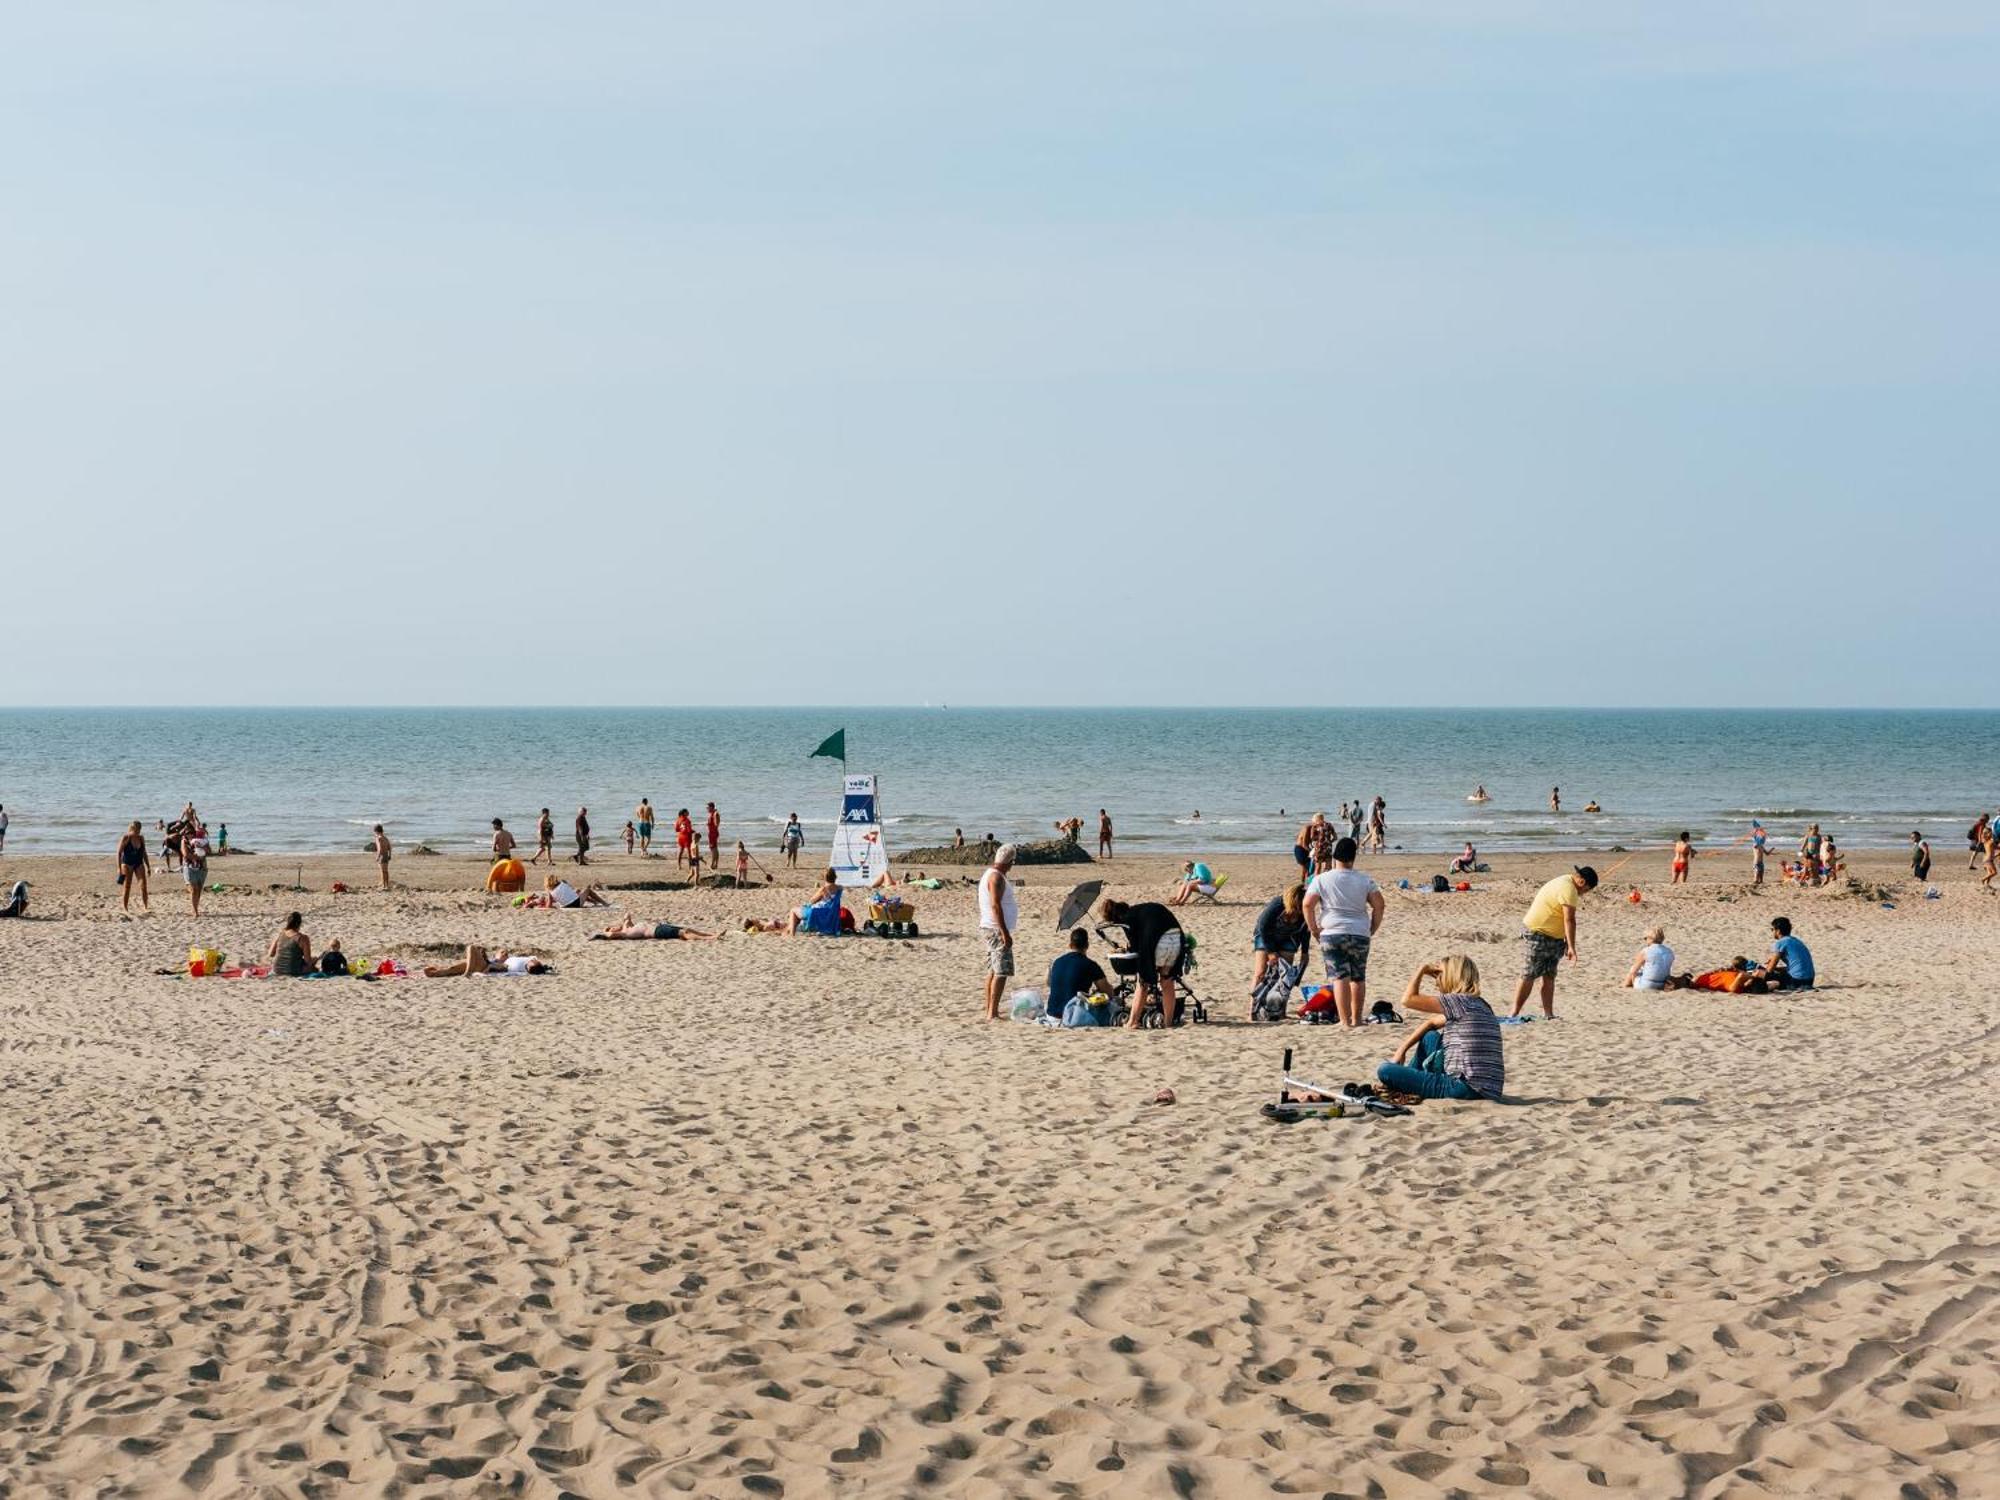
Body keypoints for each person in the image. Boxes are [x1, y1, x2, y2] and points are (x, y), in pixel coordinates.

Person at [1375, 957, 1504, 1102]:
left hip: (1464, 1087)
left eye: (1438, 975)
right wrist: (1402, 1049)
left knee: (1384, 1070)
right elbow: (1430, 1024)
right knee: (1430, 1037)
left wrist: (1422, 970)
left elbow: (1408, 1000)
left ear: (1451, 976)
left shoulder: (1458, 1001)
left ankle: (1402, 1086)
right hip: (1489, 1089)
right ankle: (1407, 1082)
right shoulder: (1480, 1005)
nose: (1436, 982)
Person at [1302, 836, 1385, 1027]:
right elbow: (1379, 905)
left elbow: (1307, 904)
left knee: (1339, 977)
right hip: (1359, 931)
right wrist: (1372, 927)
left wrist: (1313, 928)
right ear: (1353, 858)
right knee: (1358, 977)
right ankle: (1356, 1019)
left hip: (1331, 932)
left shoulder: (1321, 879)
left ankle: (1344, 1021)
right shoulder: (1365, 880)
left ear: (1334, 857)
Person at [1512, 865, 1597, 1018]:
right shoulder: (1569, 889)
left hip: (1554, 937)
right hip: (1537, 932)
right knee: (1529, 973)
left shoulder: (1566, 879)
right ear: (1582, 882)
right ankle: (1514, 1012)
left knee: (1549, 975)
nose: (1584, 894)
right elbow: (1569, 919)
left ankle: (1548, 1014)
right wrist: (1571, 947)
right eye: (1587, 890)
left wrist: (1564, 939)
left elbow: (1563, 918)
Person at [1099, 896, 1186, 1029]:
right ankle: (1168, 1023)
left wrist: (1125, 949)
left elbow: (1135, 948)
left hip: (1160, 943)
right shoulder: (1142, 910)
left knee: (1143, 982)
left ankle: (1132, 1022)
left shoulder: (1127, 920)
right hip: (1176, 938)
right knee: (1167, 981)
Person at [1250, 883, 1309, 1019]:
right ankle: (1253, 1011)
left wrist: (1305, 952)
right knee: (1260, 973)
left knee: (1285, 977)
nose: (1299, 910)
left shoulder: (1305, 908)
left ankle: (1280, 1012)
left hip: (1290, 936)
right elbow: (1263, 927)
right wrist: (1271, 952)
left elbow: (1306, 930)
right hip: (1266, 935)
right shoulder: (1277, 905)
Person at [978, 844, 1019, 1020]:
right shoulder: (996, 877)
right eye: (1012, 862)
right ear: (1009, 862)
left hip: (991, 928)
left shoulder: (991, 874)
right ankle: (992, 1012)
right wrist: (1004, 932)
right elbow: (996, 906)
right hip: (995, 929)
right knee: (1001, 971)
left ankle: (990, 1008)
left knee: (993, 970)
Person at [1046, 926, 1113, 1025]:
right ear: (1087, 945)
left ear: (1070, 945)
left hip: (1051, 1016)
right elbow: (1108, 992)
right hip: (1072, 1017)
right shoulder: (1090, 965)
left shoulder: (1057, 961)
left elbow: (1048, 983)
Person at [1752, 917, 1815, 990]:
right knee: (1778, 971)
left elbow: (1769, 970)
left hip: (1796, 982)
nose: (1772, 932)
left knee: (1758, 973)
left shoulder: (1781, 943)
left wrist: (1764, 968)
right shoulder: (1796, 941)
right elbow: (1794, 966)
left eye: (1772, 929)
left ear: (1778, 931)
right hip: (1809, 981)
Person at [424, 944, 553, 976]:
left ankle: (467, 974)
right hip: (485, 963)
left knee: (471, 948)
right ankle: (435, 973)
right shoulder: (526, 960)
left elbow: (494, 968)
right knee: (452, 969)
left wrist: (491, 965)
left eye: (504, 953)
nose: (503, 952)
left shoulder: (512, 966)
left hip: (484, 965)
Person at [1623, 926, 1677, 990]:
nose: (1645, 940)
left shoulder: (1646, 951)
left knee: (1634, 969)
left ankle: (1624, 985)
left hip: (1646, 985)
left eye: (1645, 938)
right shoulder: (1669, 951)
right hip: (1663, 984)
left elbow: (1634, 971)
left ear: (1650, 938)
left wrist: (1633, 981)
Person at [592, 917, 721, 942]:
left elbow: (627, 918)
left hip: (659, 927)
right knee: (683, 933)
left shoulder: (627, 927)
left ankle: (711, 934)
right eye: (611, 928)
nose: (613, 927)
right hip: (656, 932)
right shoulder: (624, 933)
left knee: (686, 928)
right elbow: (608, 936)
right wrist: (606, 930)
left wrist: (623, 922)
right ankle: (710, 938)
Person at [116, 821, 151, 911]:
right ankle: (125, 907)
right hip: (127, 863)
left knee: (143, 885)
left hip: (138, 863)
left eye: (139, 829)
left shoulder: (141, 838)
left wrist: (148, 866)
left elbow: (144, 853)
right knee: (127, 886)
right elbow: (119, 853)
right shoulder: (126, 837)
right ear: (132, 828)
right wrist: (119, 868)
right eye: (136, 829)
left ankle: (145, 906)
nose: (138, 831)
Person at [524, 873, 610, 908]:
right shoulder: (563, 882)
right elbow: (571, 890)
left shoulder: (549, 892)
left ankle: (595, 903)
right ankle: (604, 903)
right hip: (575, 904)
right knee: (587, 891)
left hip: (565, 906)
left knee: (579, 894)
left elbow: (549, 906)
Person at [268, 912, 313, 976]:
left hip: (277, 970)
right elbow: (307, 961)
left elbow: (271, 954)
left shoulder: (280, 934)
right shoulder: (303, 938)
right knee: (312, 966)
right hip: (293, 971)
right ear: (299, 923)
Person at [182, 822, 211, 917]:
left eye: (191, 832)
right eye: (186, 832)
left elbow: (209, 851)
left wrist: (201, 847)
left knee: (198, 890)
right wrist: (197, 857)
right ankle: (195, 911)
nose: (189, 834)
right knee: (194, 889)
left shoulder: (201, 840)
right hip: (189, 867)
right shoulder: (184, 841)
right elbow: (185, 854)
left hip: (202, 868)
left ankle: (196, 908)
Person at [369, 824, 391, 889]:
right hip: (386, 855)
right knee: (386, 871)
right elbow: (389, 847)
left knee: (382, 872)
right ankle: (387, 885)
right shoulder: (386, 838)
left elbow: (379, 849)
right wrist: (390, 855)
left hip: (382, 856)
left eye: (375, 832)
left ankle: (383, 886)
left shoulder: (378, 839)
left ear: (376, 831)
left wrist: (377, 857)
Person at [1750, 820, 1769, 886]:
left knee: (1761, 878)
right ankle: (1755, 882)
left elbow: (1767, 854)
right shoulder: (1755, 845)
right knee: (1756, 874)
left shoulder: (1762, 846)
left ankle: (1760, 882)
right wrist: (1756, 830)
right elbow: (1754, 836)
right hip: (1756, 862)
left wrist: (1771, 850)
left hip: (1761, 863)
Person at [705, 801, 721, 866]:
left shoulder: (715, 814)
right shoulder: (713, 813)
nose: (707, 809)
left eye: (707, 808)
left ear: (711, 807)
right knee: (714, 848)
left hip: (713, 833)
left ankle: (713, 863)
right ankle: (715, 863)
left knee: (713, 849)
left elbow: (716, 824)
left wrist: (710, 825)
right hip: (713, 833)